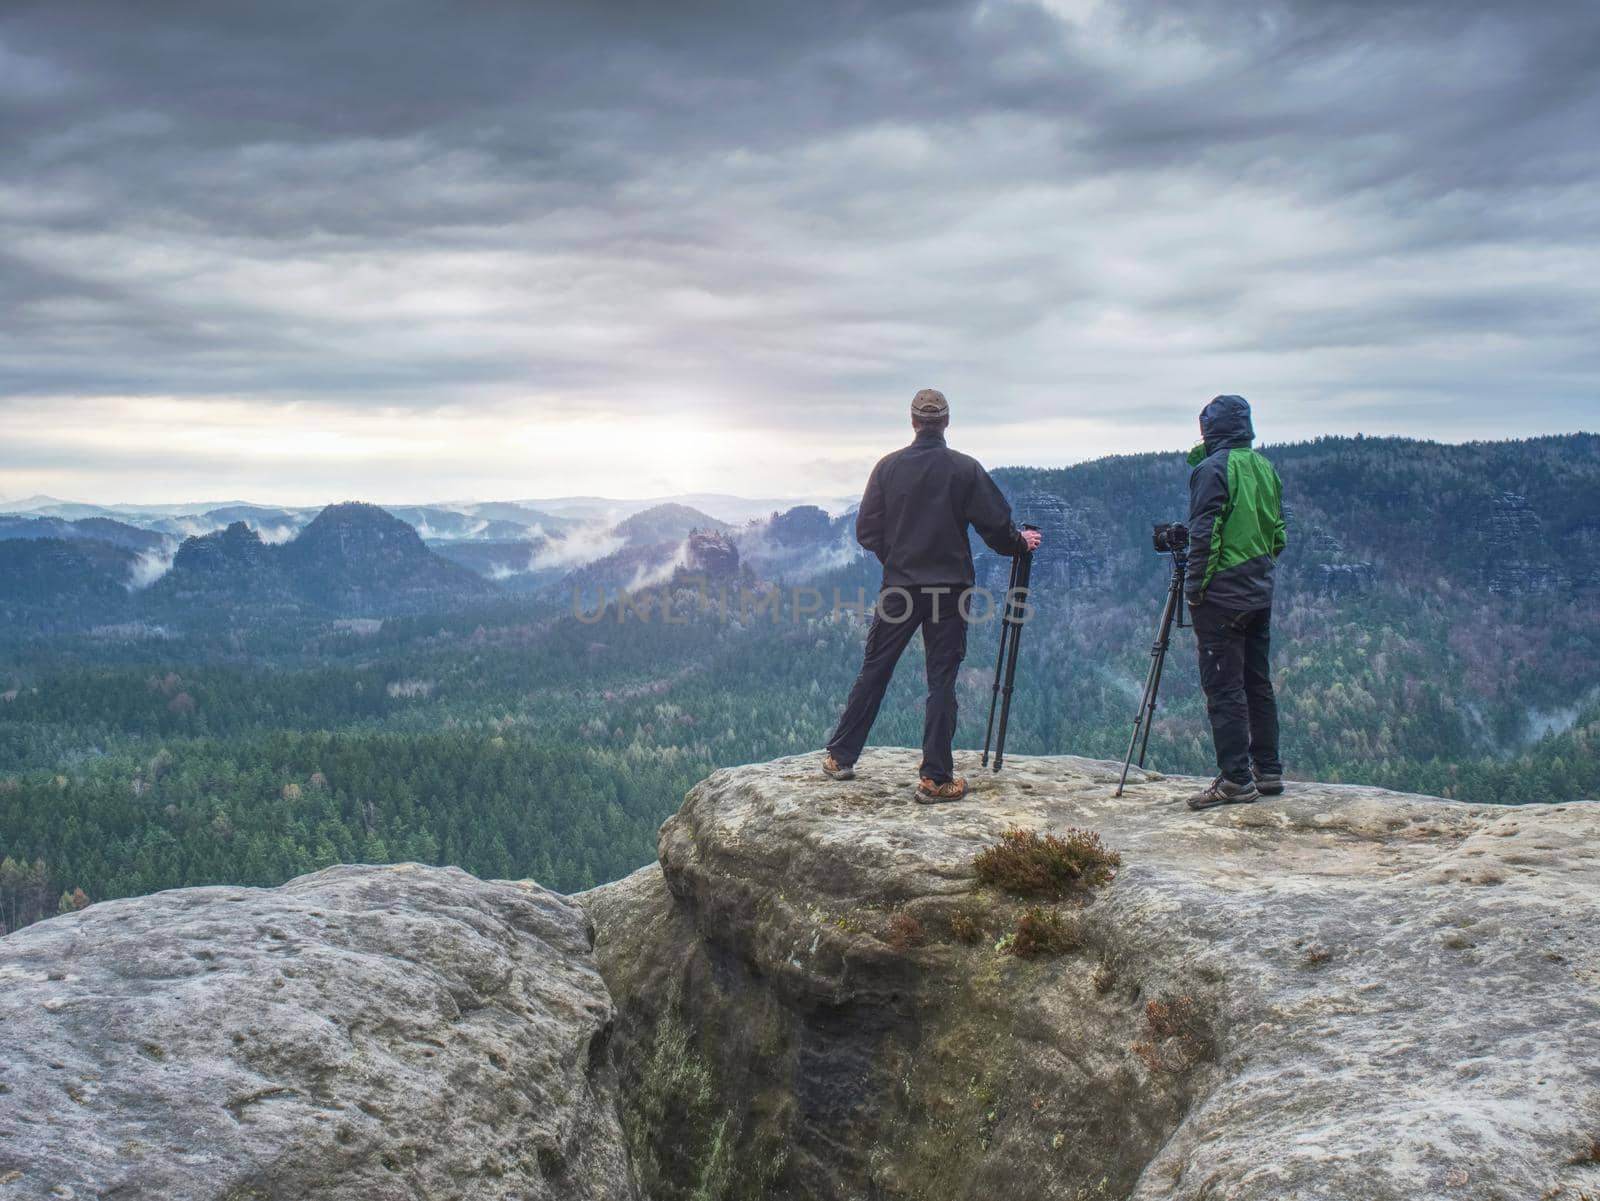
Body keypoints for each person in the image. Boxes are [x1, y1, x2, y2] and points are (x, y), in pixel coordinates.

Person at [822, 388, 1042, 803]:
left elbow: (866, 531)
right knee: (941, 679)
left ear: (913, 422)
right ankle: (936, 777)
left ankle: (840, 756)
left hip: (900, 587)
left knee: (876, 668)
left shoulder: (888, 468)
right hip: (950, 589)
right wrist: (1020, 543)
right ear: (945, 422)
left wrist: (898, 558)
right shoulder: (964, 469)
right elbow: (996, 525)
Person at [1182, 394, 1287, 811]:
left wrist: (1195, 589)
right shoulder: (1265, 467)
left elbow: (1204, 535)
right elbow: (1278, 532)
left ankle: (1235, 780)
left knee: (1223, 687)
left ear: (1210, 430)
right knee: (1256, 681)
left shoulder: (1211, 470)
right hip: (1259, 589)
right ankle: (1269, 770)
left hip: (1222, 594)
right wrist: (1257, 568)